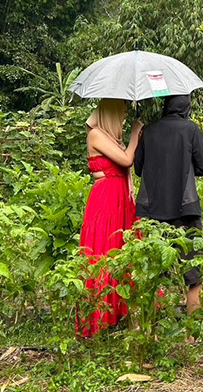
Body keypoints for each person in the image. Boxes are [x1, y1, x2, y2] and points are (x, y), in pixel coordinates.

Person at [134, 94, 203, 313]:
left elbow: (138, 169)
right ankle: (191, 331)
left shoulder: (148, 131)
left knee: (154, 272)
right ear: (186, 107)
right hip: (185, 208)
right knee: (193, 271)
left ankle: (153, 328)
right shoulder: (191, 130)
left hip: (152, 211)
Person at [76, 99, 141, 337]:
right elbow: (126, 160)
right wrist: (135, 135)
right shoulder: (96, 135)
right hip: (106, 200)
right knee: (103, 250)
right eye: (121, 115)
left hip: (119, 198)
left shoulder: (112, 138)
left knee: (122, 249)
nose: (123, 121)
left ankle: (123, 311)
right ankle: (99, 317)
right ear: (110, 114)